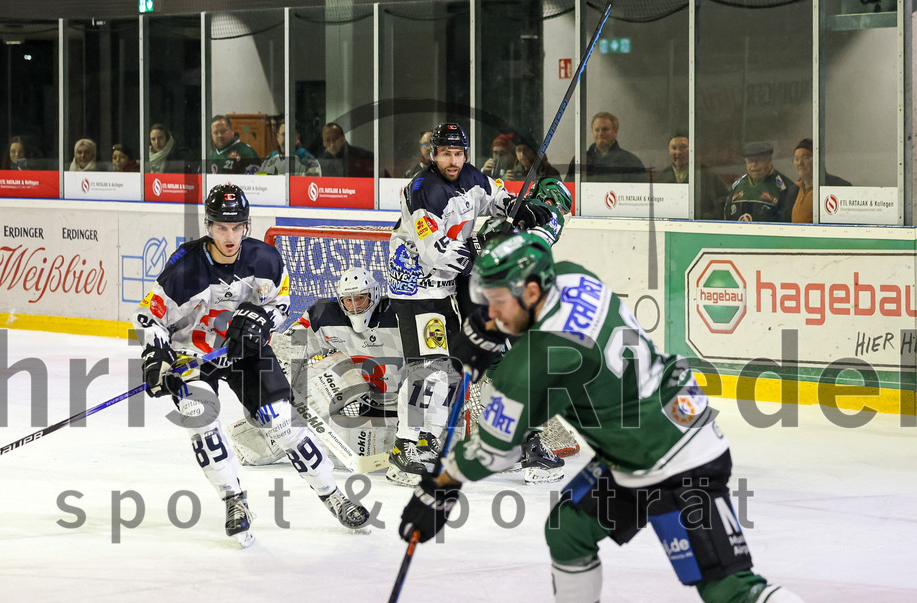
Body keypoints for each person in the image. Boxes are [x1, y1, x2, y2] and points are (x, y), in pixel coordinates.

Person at [397, 229, 910, 603]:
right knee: (568, 531)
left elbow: (495, 450)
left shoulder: (535, 360)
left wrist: (438, 489)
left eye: (497, 301)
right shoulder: (576, 276)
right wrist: (504, 347)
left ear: (532, 292)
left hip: (679, 460)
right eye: (484, 301)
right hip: (637, 447)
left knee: (726, 587)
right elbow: (549, 365)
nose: (489, 312)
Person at [131, 183, 369, 548]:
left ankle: (333, 494)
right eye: (222, 227)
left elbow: (281, 302)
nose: (230, 236)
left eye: (237, 226)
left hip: (247, 352)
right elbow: (149, 317)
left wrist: (261, 321)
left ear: (247, 225)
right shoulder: (184, 267)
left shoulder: (265, 259)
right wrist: (155, 357)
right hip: (194, 356)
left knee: (282, 423)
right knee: (200, 418)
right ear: (208, 226)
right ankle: (233, 500)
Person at [384, 121, 556, 487]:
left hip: (448, 288)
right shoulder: (422, 190)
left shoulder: (472, 176)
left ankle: (429, 441)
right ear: (433, 155)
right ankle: (404, 447)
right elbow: (433, 252)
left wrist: (518, 208)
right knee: (427, 369)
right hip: (417, 287)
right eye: (446, 153)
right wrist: (481, 249)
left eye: (458, 153)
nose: (453, 160)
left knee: (446, 369)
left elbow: (495, 198)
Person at [230, 267, 404, 468]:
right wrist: (278, 389)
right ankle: (252, 443)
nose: (354, 306)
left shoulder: (399, 315)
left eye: (360, 298)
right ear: (340, 299)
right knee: (347, 373)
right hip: (361, 402)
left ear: (373, 295)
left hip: (400, 409)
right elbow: (288, 347)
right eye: (348, 300)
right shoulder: (325, 315)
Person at [653, 133, 727, 220]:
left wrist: (703, 221)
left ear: (692, 150)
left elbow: (722, 204)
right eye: (674, 148)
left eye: (683, 147)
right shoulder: (662, 178)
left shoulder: (708, 176)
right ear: (669, 151)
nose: (678, 152)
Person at [724, 142, 798, 222]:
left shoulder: (785, 187)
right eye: (750, 161)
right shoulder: (737, 185)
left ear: (769, 161)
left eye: (759, 160)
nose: (754, 165)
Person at [791, 138, 852, 224]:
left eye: (805, 158)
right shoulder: (793, 190)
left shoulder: (837, 188)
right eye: (796, 159)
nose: (800, 163)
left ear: (817, 160)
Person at [585, 112, 646, 183]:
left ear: (615, 132)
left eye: (605, 129)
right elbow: (570, 190)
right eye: (597, 130)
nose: (600, 133)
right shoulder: (581, 160)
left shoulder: (632, 162)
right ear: (592, 132)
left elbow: (640, 191)